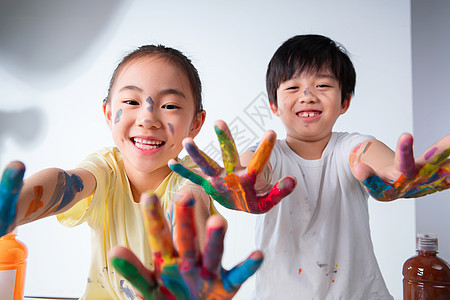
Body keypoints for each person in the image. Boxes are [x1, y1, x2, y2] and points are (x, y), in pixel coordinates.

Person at [169, 34, 450, 299]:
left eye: (323, 85)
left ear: (344, 101)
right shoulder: (270, 153)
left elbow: (372, 157)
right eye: (293, 87)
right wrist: (244, 181)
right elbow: (251, 169)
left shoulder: (350, 147)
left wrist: (397, 174)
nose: (307, 95)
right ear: (274, 105)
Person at [0, 44, 258, 299]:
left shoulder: (193, 176)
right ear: (108, 112)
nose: (148, 118)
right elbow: (68, 184)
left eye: (169, 106)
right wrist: (18, 207)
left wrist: (193, 274)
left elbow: (190, 206)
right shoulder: (105, 168)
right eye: (131, 101)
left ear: (195, 124)